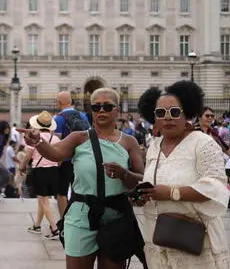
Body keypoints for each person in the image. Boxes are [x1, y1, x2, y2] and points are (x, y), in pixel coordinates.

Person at [20, 88, 145, 269]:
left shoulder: (129, 142)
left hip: (116, 217)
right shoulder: (78, 138)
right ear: (91, 111)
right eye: (96, 107)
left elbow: (141, 178)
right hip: (81, 216)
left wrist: (124, 174)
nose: (101, 110)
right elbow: (55, 153)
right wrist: (38, 142)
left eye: (107, 106)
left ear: (117, 110)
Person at [135, 81, 230, 267]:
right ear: (154, 118)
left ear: (186, 112)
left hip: (196, 245)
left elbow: (216, 187)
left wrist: (171, 193)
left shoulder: (203, 144)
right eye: (161, 113)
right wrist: (143, 195)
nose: (168, 118)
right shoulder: (154, 146)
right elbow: (156, 183)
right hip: (158, 242)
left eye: (175, 112)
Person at [22, 111, 61, 240]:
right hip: (54, 171)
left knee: (44, 200)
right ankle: (37, 226)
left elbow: (28, 156)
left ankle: (55, 229)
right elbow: (59, 157)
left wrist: (22, 167)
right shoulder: (56, 138)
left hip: (40, 171)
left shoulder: (34, 138)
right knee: (42, 199)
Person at [53, 91, 90, 217]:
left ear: (59, 103)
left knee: (61, 193)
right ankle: (78, 217)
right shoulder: (83, 116)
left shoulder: (58, 118)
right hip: (82, 159)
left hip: (65, 160)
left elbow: (57, 141)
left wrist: (57, 161)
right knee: (78, 191)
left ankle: (63, 222)